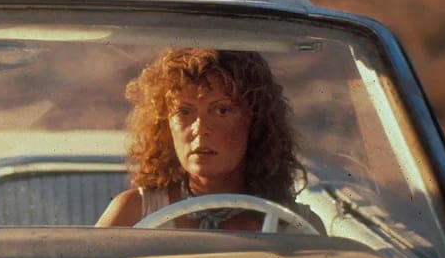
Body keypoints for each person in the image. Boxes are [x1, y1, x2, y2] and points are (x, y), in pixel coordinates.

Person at [95, 47, 324, 232]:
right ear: (165, 125)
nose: (200, 129)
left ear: (255, 123)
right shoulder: (134, 213)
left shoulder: (297, 226)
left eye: (222, 111)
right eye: (184, 112)